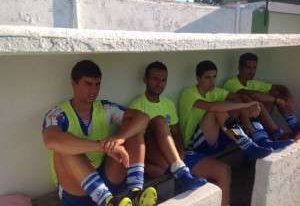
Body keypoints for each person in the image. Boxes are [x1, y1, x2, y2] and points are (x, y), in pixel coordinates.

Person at [42, 60, 157, 206]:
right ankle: (107, 202)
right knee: (62, 148)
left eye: (97, 84)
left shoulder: (105, 107)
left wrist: (118, 138)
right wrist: (101, 146)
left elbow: (143, 118)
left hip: (106, 178)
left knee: (132, 126)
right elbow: (51, 141)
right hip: (77, 188)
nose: (94, 90)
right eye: (88, 84)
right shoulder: (57, 114)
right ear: (73, 83)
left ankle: (135, 193)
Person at [178, 60, 292, 206]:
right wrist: (246, 104)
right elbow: (212, 107)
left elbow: (237, 99)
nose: (212, 81)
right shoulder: (188, 93)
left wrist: (247, 105)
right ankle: (248, 144)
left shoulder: (216, 91)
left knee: (235, 105)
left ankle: (259, 138)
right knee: (216, 112)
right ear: (198, 78)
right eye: (207, 77)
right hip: (195, 145)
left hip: (216, 138)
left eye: (214, 77)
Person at [128, 61, 206, 193]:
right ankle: (179, 170)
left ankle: (178, 168)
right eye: (155, 79)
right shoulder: (136, 105)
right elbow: (136, 143)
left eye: (163, 80)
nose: (160, 83)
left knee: (220, 170)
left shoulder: (168, 104)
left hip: (167, 154)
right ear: (145, 80)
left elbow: (176, 133)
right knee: (159, 120)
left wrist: (180, 151)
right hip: (150, 152)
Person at [224, 52, 300, 140]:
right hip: (240, 123)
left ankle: (295, 125)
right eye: (248, 68)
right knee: (256, 101)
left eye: (254, 68)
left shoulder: (252, 82)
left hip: (256, 119)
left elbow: (279, 87)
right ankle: (276, 133)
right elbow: (252, 94)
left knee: (275, 92)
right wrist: (277, 100)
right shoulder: (231, 82)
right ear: (239, 68)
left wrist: (289, 97)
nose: (252, 71)